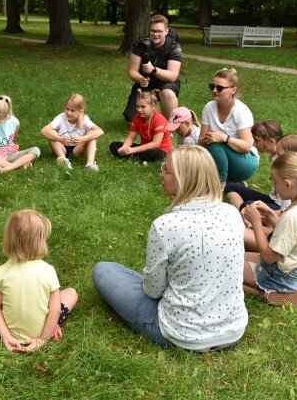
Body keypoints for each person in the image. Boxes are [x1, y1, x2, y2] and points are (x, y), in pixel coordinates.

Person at [92, 146, 248, 352]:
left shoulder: (165, 225)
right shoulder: (232, 213)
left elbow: (153, 291)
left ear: (184, 178)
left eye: (166, 169)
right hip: (233, 330)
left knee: (104, 270)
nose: (160, 173)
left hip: (182, 334)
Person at [243, 152, 297, 304]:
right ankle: (293, 289)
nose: (274, 187)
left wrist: (256, 223)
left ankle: (270, 294)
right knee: (235, 257)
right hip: (295, 273)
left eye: (275, 182)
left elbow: (268, 257)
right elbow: (291, 236)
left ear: (288, 184)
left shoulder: (292, 216)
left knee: (225, 268)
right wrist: (270, 215)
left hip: (278, 276)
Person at [0, 210, 78, 352]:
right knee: (71, 292)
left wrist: (5, 335)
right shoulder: (48, 271)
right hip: (43, 330)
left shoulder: (1, 272)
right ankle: (51, 327)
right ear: (40, 243)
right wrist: (43, 339)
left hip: (10, 330)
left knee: (1, 302)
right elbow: (54, 310)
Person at [241, 133, 297, 251]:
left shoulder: (294, 192)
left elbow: (279, 241)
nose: (273, 157)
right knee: (246, 210)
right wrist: (268, 214)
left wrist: (255, 225)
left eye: (279, 154)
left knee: (236, 233)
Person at [199, 67, 259, 185]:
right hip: (222, 158)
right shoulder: (209, 107)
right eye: (212, 86)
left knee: (215, 144)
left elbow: (247, 147)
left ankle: (220, 183)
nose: (215, 90)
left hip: (246, 161)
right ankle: (233, 182)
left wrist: (223, 138)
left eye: (220, 88)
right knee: (203, 145)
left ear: (233, 90)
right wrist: (207, 138)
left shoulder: (241, 111)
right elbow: (200, 140)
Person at [122, 14, 182, 122]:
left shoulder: (173, 46)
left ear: (166, 31)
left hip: (166, 83)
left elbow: (173, 76)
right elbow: (132, 70)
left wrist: (154, 70)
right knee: (130, 117)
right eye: (153, 31)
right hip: (146, 83)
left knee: (167, 93)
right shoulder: (140, 44)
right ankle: (155, 118)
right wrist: (141, 79)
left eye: (159, 31)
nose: (156, 34)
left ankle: (171, 125)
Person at [225, 120, 286, 211]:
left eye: (257, 140)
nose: (253, 144)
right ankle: (243, 214)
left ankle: (244, 215)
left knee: (250, 206)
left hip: (281, 208)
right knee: (230, 186)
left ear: (271, 141)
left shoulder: (284, 159)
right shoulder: (272, 157)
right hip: (272, 200)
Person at [40, 93, 104, 172]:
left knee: (92, 134)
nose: (69, 112)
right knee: (51, 134)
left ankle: (89, 164)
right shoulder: (61, 117)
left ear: (80, 111)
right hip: (61, 147)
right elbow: (44, 130)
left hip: (77, 149)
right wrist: (59, 139)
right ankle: (63, 161)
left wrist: (83, 139)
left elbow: (100, 131)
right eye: (67, 109)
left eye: (72, 110)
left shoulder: (84, 119)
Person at [110, 90, 171, 163]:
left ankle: (134, 157)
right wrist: (125, 147)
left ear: (153, 106)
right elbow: (130, 137)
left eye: (143, 107)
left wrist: (133, 150)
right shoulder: (137, 118)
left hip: (159, 150)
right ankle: (138, 159)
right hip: (143, 147)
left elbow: (156, 144)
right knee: (114, 145)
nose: (139, 110)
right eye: (137, 106)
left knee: (154, 153)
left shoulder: (159, 120)